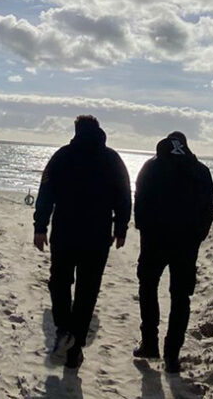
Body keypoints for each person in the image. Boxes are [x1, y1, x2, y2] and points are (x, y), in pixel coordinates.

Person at [33, 115, 132, 369]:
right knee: (88, 290)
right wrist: (121, 227)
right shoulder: (112, 158)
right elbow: (124, 194)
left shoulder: (62, 155)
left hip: (65, 230)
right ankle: (74, 348)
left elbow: (46, 192)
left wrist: (40, 226)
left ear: (76, 131)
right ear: (99, 131)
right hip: (97, 234)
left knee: (59, 281)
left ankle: (64, 329)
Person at [132, 131, 213, 374]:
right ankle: (172, 355)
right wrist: (198, 236)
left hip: (155, 241)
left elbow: (140, 200)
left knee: (148, 288)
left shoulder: (151, 167)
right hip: (186, 244)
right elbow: (209, 209)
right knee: (181, 297)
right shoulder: (200, 171)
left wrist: (143, 229)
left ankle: (149, 343)